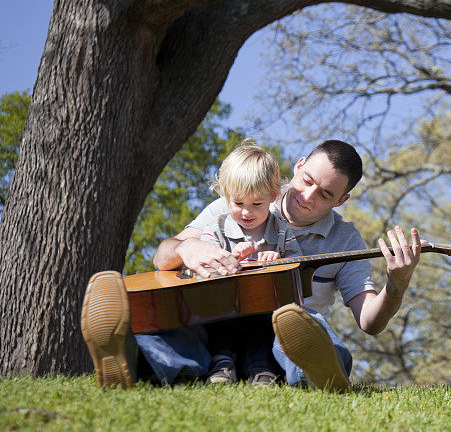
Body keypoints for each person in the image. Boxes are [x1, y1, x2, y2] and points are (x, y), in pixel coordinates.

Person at [80, 140, 421, 391]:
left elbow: (370, 321)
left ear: (342, 200)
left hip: (278, 338)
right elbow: (163, 254)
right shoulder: (243, 196)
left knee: (303, 326)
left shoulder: (346, 240)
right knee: (181, 328)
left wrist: (397, 283)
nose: (308, 195)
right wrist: (189, 248)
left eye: (325, 195)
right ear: (299, 165)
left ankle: (322, 373)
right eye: (307, 181)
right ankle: (132, 358)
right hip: (216, 324)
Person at [200, 141, 284, 385]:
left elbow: (296, 263)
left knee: (262, 330)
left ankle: (262, 370)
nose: (247, 212)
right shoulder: (216, 226)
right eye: (238, 203)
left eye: (256, 204)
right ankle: (222, 367)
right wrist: (229, 257)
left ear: (273, 197)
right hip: (224, 306)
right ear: (226, 196)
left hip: (262, 307)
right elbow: (204, 263)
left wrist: (278, 260)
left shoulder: (280, 230)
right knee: (222, 328)